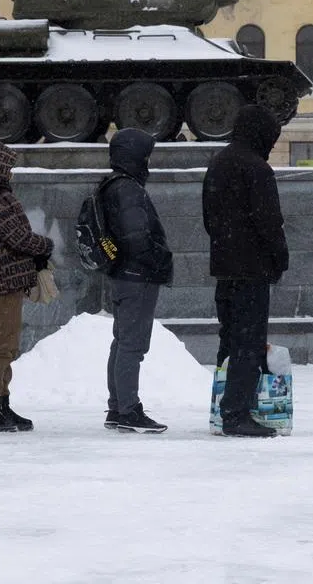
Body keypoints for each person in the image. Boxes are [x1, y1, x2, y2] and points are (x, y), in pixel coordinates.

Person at [202, 103, 288, 438]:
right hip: (252, 269)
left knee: (230, 338)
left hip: (225, 267)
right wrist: (279, 258)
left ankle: (223, 407)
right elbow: (270, 222)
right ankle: (236, 413)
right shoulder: (257, 169)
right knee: (248, 342)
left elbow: (210, 219)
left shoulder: (218, 163)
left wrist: (226, 248)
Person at [0, 138, 55, 433]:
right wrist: (46, 244)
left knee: (7, 345)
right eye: (7, 167)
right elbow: (17, 237)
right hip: (0, 280)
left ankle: (1, 403)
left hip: (7, 280)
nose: (11, 173)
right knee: (1, 345)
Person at [98, 128, 173, 434]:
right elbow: (136, 237)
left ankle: (119, 406)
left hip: (123, 275)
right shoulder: (128, 188)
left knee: (123, 341)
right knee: (132, 345)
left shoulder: (113, 184)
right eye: (145, 156)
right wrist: (160, 259)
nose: (148, 162)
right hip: (136, 276)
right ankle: (127, 409)